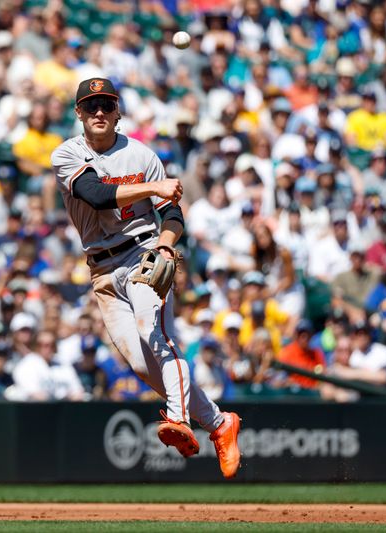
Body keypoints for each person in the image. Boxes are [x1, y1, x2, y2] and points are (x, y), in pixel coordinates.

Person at [51, 78, 241, 478]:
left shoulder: (141, 154)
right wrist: (154, 186)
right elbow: (96, 194)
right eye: (91, 106)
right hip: (101, 269)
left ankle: (178, 418)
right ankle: (221, 424)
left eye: (106, 105)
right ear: (79, 114)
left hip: (142, 251)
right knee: (141, 364)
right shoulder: (67, 154)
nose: (99, 112)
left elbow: (172, 215)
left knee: (154, 333)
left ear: (118, 111)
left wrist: (167, 244)